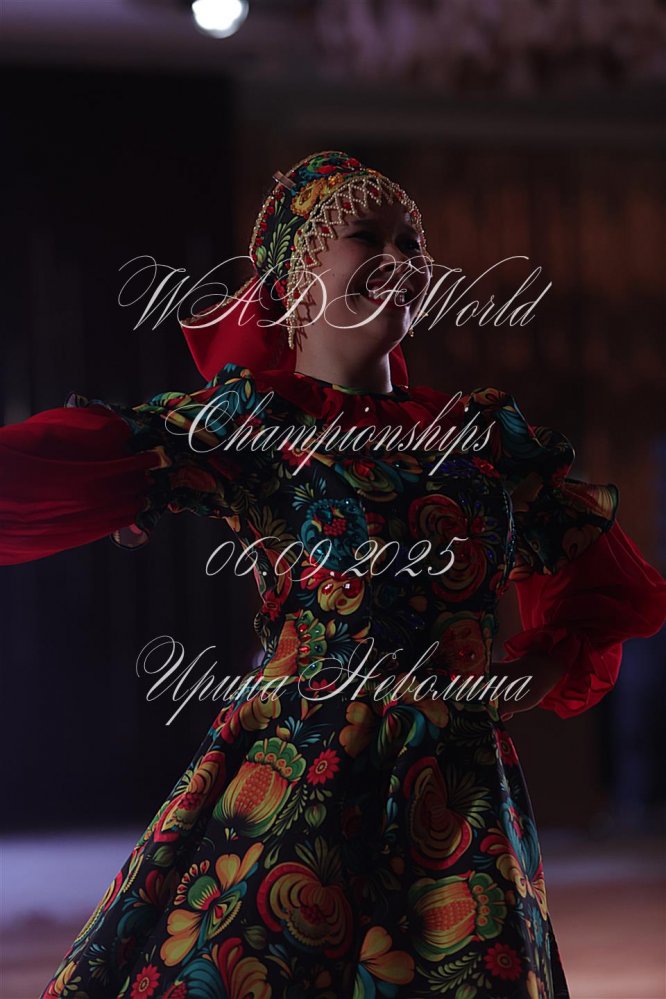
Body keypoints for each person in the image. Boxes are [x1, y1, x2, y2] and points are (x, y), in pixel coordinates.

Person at [1, 150, 665, 999]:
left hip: (456, 800)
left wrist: (525, 673)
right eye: (367, 237)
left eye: (411, 243)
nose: (401, 260)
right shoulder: (254, 424)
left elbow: (605, 587)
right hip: (301, 779)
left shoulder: (482, 441)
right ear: (293, 278)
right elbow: (67, 460)